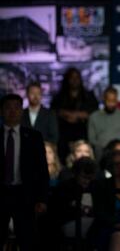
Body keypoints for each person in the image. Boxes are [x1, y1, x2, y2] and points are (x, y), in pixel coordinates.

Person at [0, 94, 49, 250]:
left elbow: (42, 169)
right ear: (1, 111)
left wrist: (42, 199)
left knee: (28, 240)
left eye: (16, 107)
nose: (12, 111)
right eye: (8, 107)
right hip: (1, 194)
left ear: (22, 111)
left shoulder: (34, 137)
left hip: (25, 195)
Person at [51, 67, 99, 163]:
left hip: (84, 133)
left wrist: (77, 115)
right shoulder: (59, 97)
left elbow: (94, 112)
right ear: (67, 80)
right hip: (64, 135)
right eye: (72, 77)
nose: (74, 80)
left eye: (77, 77)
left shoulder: (89, 96)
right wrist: (68, 115)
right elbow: (54, 111)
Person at [88, 86, 120, 161]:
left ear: (117, 99)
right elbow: (92, 139)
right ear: (104, 99)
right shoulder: (94, 117)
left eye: (114, 101)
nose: (111, 104)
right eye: (109, 101)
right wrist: (103, 147)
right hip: (101, 152)